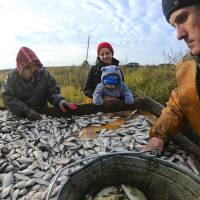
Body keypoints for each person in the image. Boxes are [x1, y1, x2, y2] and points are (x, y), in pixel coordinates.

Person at [143, 0, 200, 152]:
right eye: (174, 26)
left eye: (183, 18)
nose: (179, 35)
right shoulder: (188, 67)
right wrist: (158, 134)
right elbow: (181, 102)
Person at [2, 47, 77, 120]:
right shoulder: (11, 78)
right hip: (20, 116)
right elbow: (8, 98)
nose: (32, 69)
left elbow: (52, 92)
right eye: (28, 67)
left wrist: (60, 101)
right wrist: (26, 111)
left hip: (42, 115)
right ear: (20, 68)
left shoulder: (44, 74)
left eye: (34, 65)